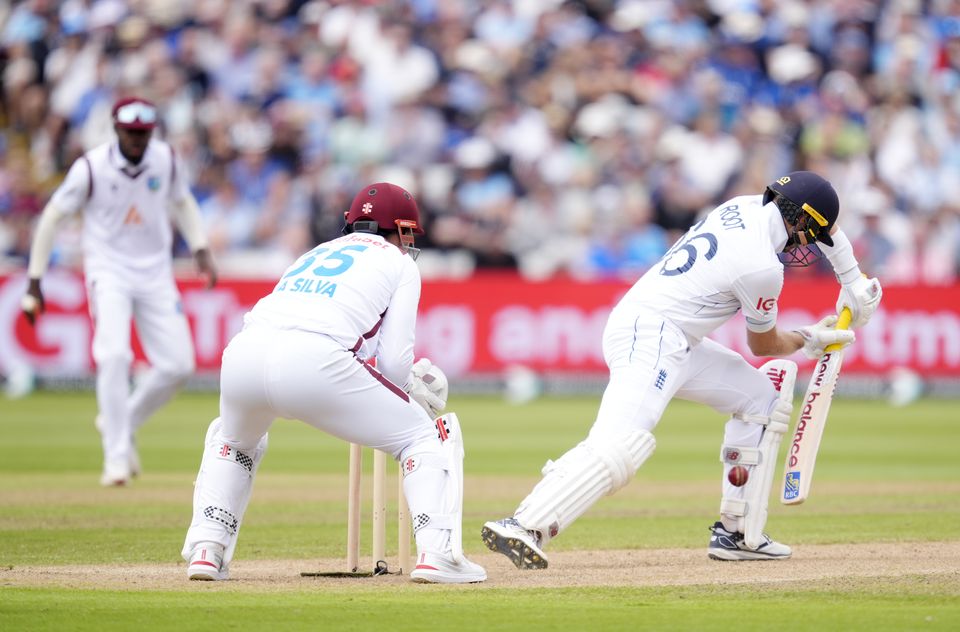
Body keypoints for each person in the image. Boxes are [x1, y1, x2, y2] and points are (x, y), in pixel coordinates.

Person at [481, 171, 883, 566]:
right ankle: (525, 524)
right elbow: (763, 345)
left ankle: (737, 533)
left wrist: (853, 279)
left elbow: (833, 232)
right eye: (811, 234)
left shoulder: (743, 205)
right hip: (654, 335)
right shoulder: (762, 267)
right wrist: (808, 339)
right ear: (798, 219)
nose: (809, 244)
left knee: (761, 399)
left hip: (672, 336)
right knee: (622, 441)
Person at [181, 182, 487, 584]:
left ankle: (207, 548)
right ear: (394, 229)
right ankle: (436, 553)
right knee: (422, 436)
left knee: (232, 439)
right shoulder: (401, 265)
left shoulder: (316, 251)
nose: (409, 242)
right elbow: (395, 363)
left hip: (243, 354)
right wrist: (408, 393)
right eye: (406, 232)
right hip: (315, 360)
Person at [21, 96, 217, 487]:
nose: (137, 141)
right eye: (131, 133)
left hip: (155, 272)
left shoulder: (165, 159)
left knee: (179, 365)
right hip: (108, 271)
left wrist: (200, 247)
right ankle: (115, 458)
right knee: (113, 355)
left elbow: (183, 202)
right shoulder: (91, 168)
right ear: (116, 129)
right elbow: (52, 217)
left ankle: (118, 420)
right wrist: (35, 280)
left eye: (143, 134)